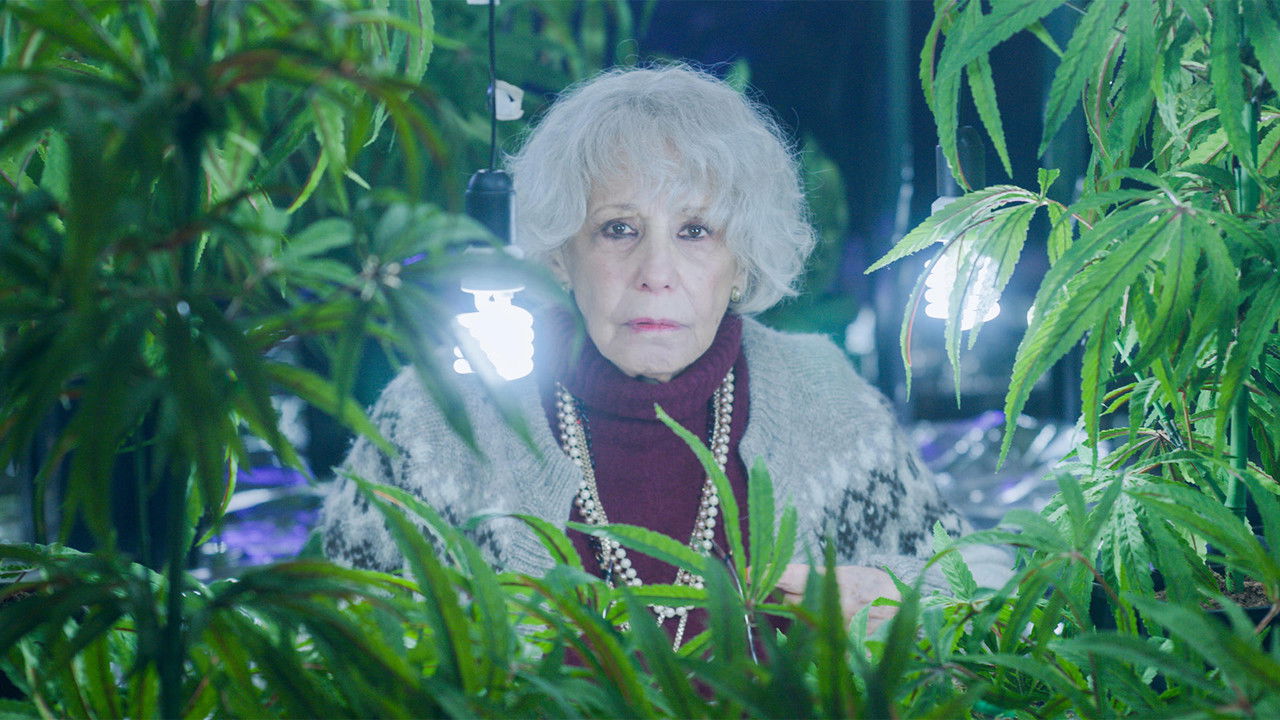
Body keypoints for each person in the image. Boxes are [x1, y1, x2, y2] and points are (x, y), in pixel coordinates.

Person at [321, 64, 1006, 645]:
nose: (656, 272)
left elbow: (990, 588)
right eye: (618, 228)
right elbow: (336, 649)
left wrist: (891, 593)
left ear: (741, 263)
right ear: (560, 255)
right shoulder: (437, 415)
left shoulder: (820, 395)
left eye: (695, 231)